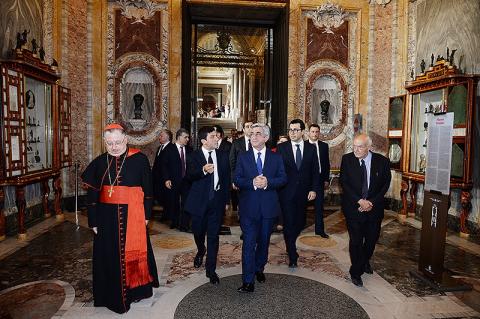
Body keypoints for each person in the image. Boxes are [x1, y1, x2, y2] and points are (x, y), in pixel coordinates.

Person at [81, 123, 159, 314]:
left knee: (134, 254)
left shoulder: (139, 160)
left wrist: (147, 215)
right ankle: (110, 295)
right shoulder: (99, 163)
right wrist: (93, 221)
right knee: (109, 257)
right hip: (106, 219)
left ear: (125, 139)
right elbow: (92, 196)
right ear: (105, 142)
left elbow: (148, 191)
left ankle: (136, 291)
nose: (114, 147)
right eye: (109, 144)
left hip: (134, 216)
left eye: (117, 142)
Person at [234, 123, 287, 293]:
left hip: (268, 208)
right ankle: (248, 281)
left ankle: (259, 268)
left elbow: (283, 179)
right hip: (248, 209)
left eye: (258, 134)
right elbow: (237, 179)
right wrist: (252, 183)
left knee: (263, 243)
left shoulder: (276, 158)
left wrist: (268, 183)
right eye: (251, 134)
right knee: (248, 244)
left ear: (265, 138)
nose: (253, 136)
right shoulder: (243, 156)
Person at [340, 133, 391, 287]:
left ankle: (364, 261)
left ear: (369, 147)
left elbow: (385, 184)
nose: (356, 150)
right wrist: (360, 201)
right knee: (355, 241)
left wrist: (371, 202)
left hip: (374, 209)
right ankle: (356, 272)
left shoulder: (382, 162)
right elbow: (345, 183)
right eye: (354, 146)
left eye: (360, 147)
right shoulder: (347, 160)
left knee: (371, 240)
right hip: (353, 208)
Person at [184, 126, 230, 285]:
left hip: (216, 201)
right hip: (198, 202)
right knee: (198, 232)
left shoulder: (223, 156)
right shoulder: (193, 156)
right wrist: (203, 171)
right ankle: (200, 250)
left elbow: (226, 180)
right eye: (213, 136)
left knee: (213, 236)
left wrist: (226, 201)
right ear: (204, 140)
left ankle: (211, 270)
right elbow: (188, 176)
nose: (217, 139)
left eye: (217, 136)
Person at [277, 119, 320, 268]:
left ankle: (291, 243)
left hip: (304, 193)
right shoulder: (282, 148)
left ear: (303, 131)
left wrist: (314, 189)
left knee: (300, 223)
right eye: (290, 130)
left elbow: (315, 171)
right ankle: (292, 253)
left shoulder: (311, 148)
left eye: (295, 130)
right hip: (286, 192)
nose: (292, 133)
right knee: (288, 224)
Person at [161, 128, 192, 231]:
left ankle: (184, 225)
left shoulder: (189, 150)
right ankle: (174, 221)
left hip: (187, 181)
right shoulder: (169, 149)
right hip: (173, 180)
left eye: (188, 137)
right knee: (174, 202)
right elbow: (164, 166)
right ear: (179, 137)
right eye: (185, 137)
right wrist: (166, 179)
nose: (187, 139)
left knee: (186, 203)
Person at [308, 124, 331, 238]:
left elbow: (326, 163)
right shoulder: (304, 145)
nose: (315, 134)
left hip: (320, 180)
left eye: (317, 132)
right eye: (312, 131)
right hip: (306, 181)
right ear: (309, 132)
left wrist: (326, 179)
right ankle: (299, 227)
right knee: (302, 206)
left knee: (319, 206)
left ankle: (319, 230)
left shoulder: (324, 146)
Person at [229, 120, 253, 213]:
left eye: (252, 126)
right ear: (243, 129)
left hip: (255, 176)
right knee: (242, 199)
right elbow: (232, 162)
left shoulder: (260, 141)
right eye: (247, 126)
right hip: (241, 176)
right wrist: (233, 179)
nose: (250, 128)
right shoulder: (237, 143)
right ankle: (242, 216)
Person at [152, 129, 173, 217]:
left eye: (161, 136)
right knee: (159, 197)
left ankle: (167, 216)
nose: (159, 137)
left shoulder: (172, 148)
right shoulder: (159, 148)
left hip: (166, 178)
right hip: (157, 178)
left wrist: (167, 178)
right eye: (159, 136)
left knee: (166, 198)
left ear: (167, 137)